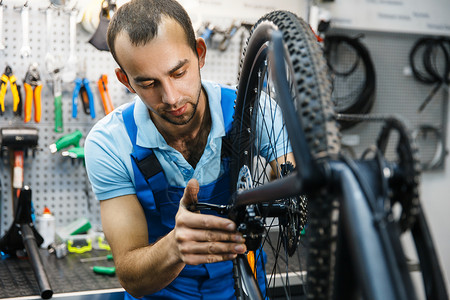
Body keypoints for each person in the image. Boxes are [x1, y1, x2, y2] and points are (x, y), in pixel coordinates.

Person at [85, 0, 292, 299]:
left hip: (242, 286)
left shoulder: (254, 109)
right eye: (148, 83)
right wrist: (175, 246)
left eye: (178, 73)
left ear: (200, 53)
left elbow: (295, 183)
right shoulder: (109, 144)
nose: (170, 97)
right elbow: (132, 278)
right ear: (125, 81)